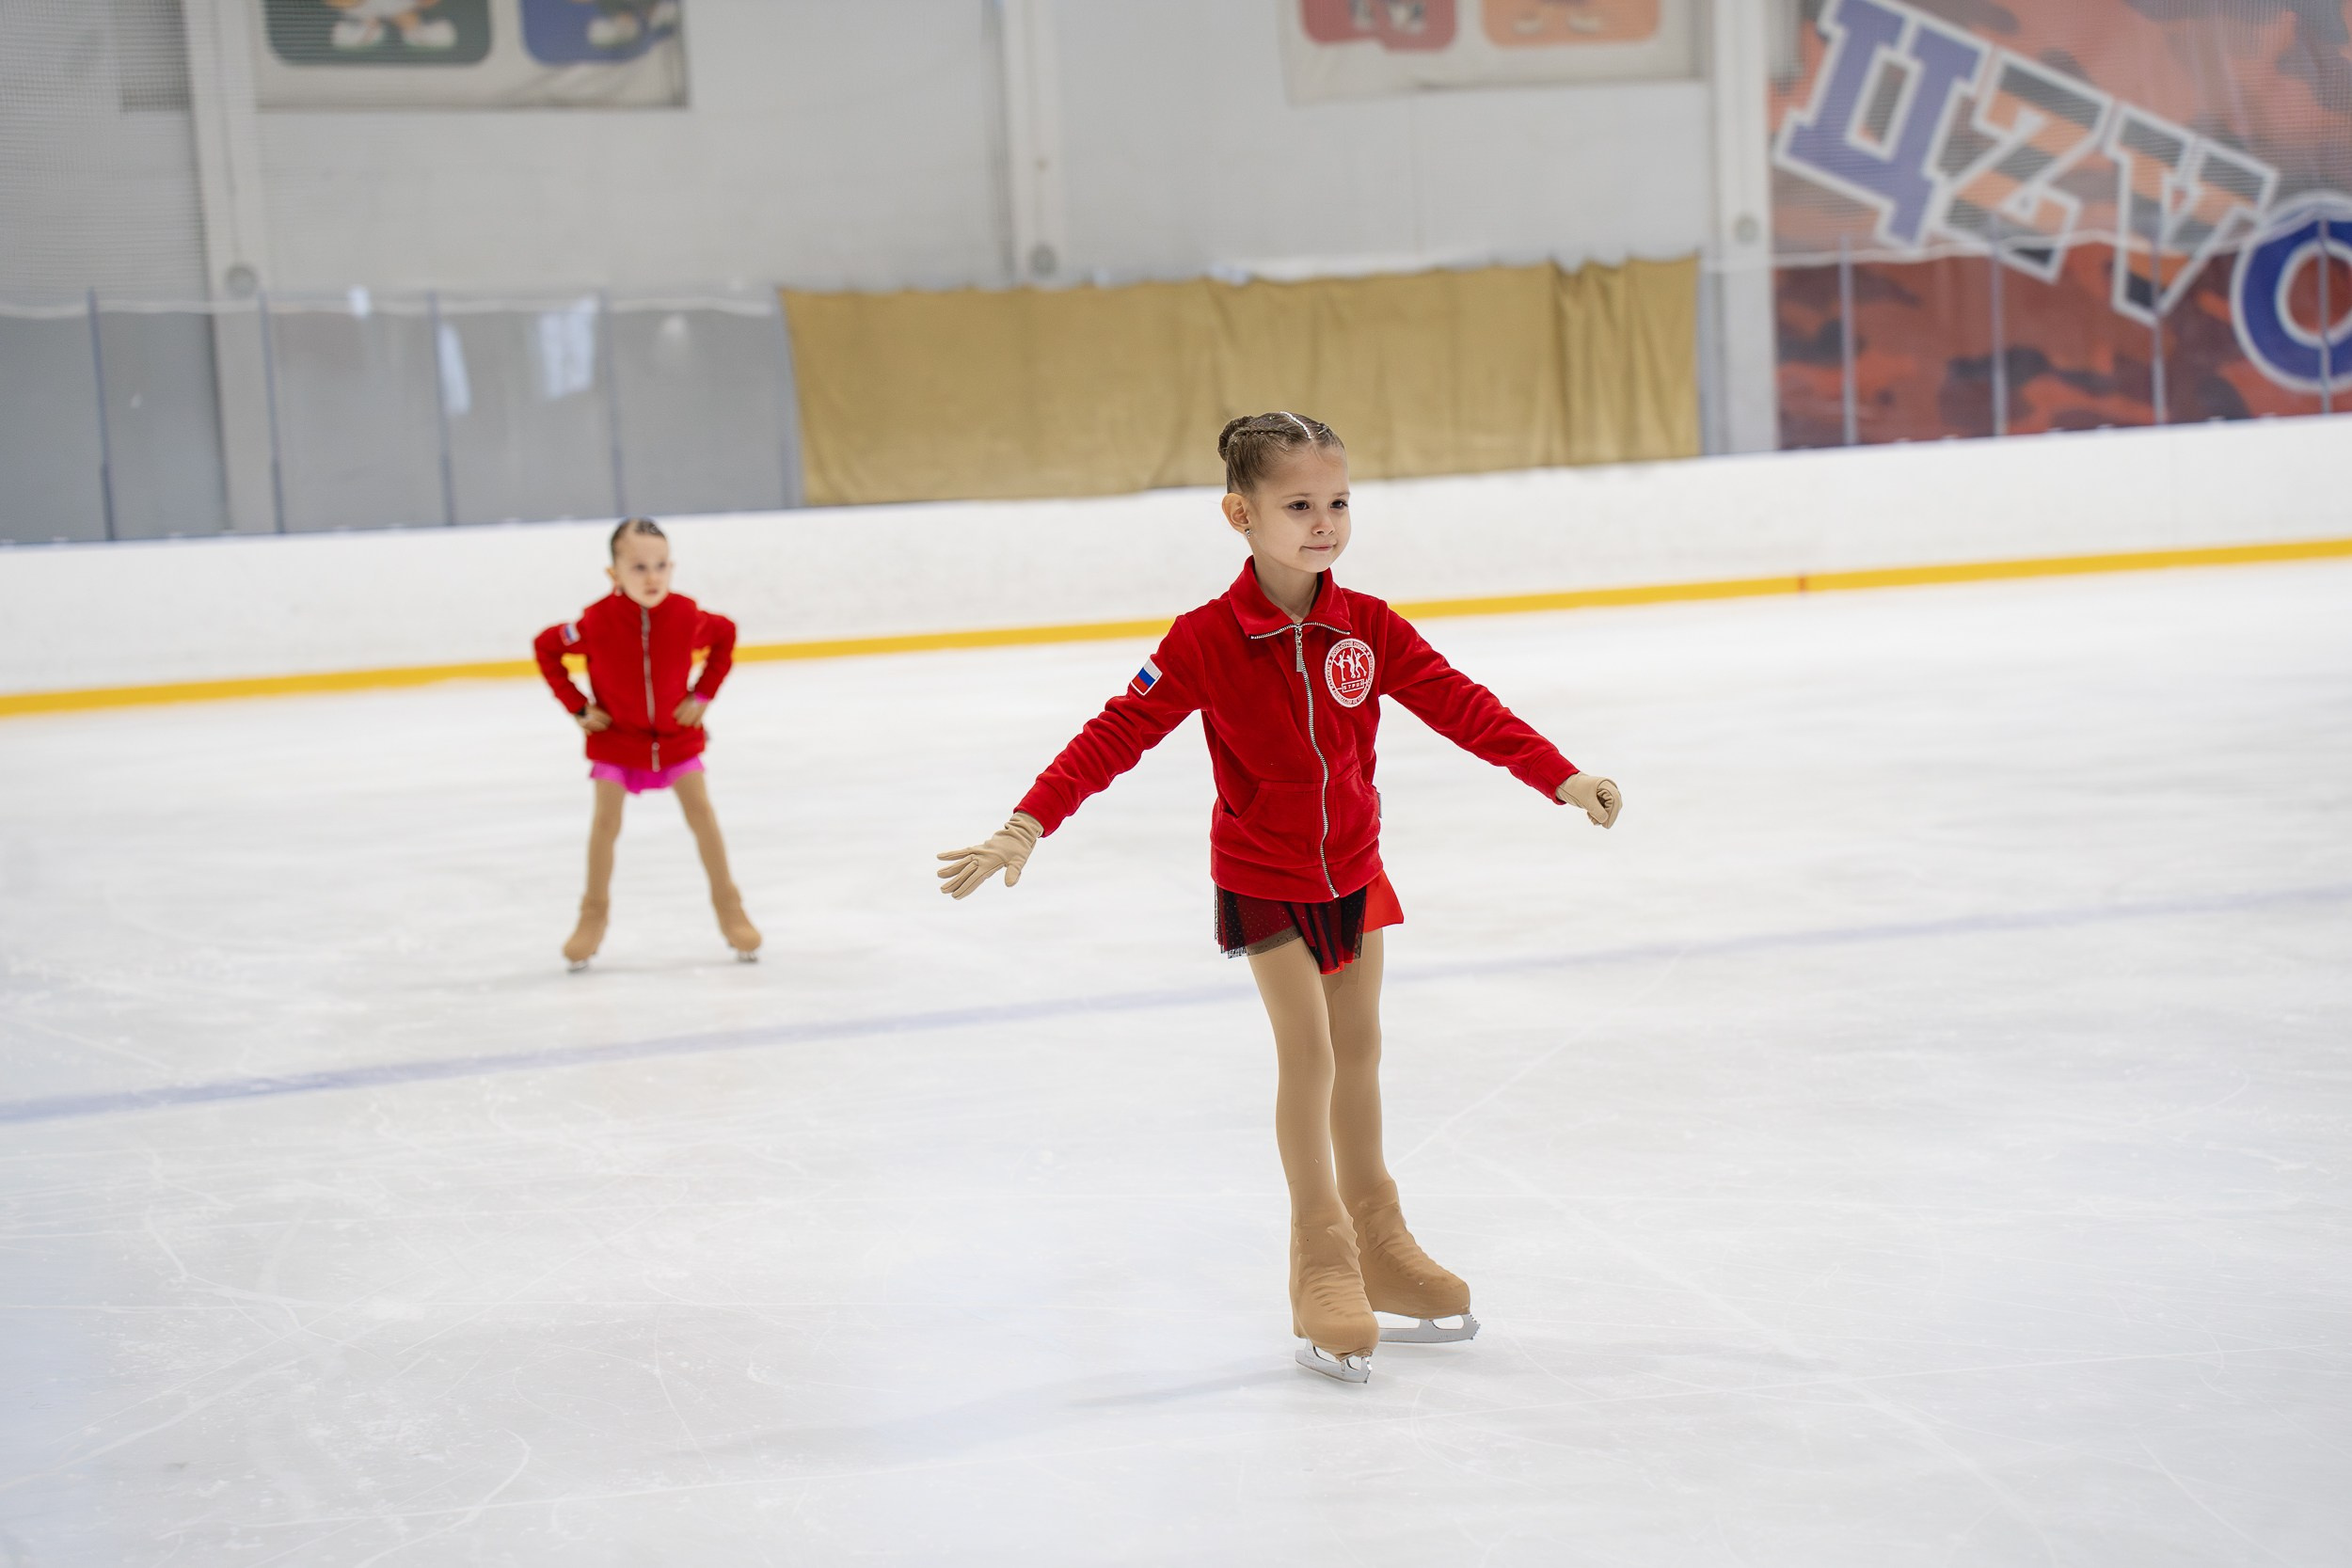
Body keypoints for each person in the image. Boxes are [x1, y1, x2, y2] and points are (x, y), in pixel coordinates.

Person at [936, 413, 1620, 1383]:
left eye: (1336, 502)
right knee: (1306, 1056)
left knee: (1361, 1051)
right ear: (1239, 513)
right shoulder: (1205, 640)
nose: (1323, 522)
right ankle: (1322, 1255)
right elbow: (1113, 734)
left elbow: (1460, 701)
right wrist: (1025, 822)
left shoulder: (1367, 625)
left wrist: (1557, 773)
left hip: (1355, 867)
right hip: (1263, 875)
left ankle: (1382, 1238)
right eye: (1298, 505)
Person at [532, 517, 762, 970]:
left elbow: (725, 635)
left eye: (660, 565)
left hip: (676, 741)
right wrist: (578, 707)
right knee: (605, 825)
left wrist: (703, 694)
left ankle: (731, 910)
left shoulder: (687, 616)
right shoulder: (595, 622)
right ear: (614, 573)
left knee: (703, 817)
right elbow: (546, 648)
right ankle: (591, 919)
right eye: (638, 567)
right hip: (617, 742)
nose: (652, 576)